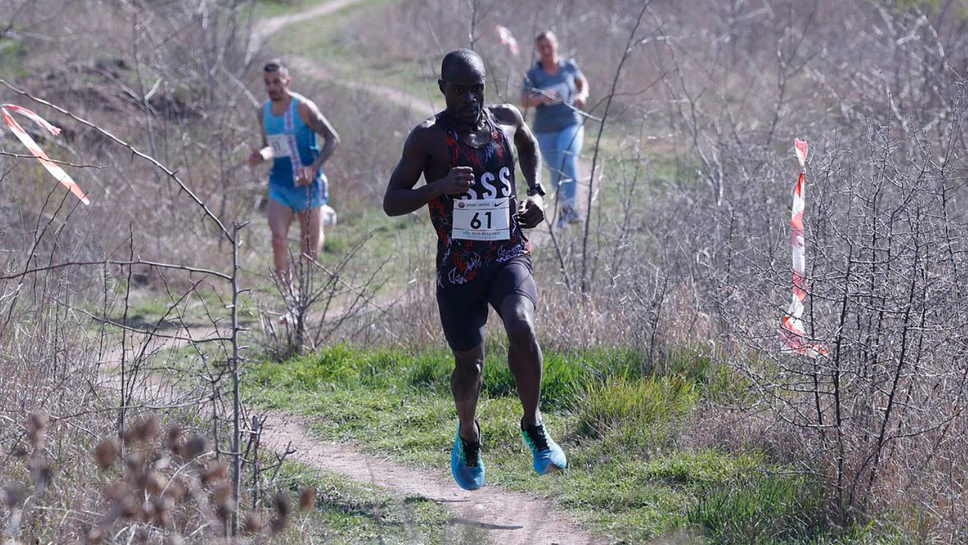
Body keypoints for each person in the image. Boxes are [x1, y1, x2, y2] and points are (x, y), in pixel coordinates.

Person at [383, 49, 567, 491]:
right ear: (443, 89)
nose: (468, 98)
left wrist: (537, 193)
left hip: (507, 252)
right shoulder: (427, 137)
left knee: (522, 326)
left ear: (486, 86)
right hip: (459, 266)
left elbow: (529, 144)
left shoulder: (504, 118)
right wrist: (440, 186)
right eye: (459, 89)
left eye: (476, 88)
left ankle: (534, 425)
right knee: (471, 368)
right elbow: (392, 201)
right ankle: (468, 434)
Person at [248, 59, 340, 317]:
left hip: (308, 186)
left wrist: (314, 168)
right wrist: (261, 156)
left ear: (287, 81)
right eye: (267, 82)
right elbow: (270, 146)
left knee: (307, 251)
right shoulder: (262, 111)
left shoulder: (303, 108)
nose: (271, 87)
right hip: (280, 183)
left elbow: (333, 139)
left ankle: (321, 215)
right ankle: (291, 299)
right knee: (278, 240)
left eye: (276, 81)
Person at [520, 31, 589, 228]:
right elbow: (524, 100)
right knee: (556, 171)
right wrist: (541, 98)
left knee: (566, 158)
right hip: (544, 130)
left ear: (556, 46)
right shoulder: (533, 74)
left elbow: (582, 82)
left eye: (549, 46)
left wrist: (583, 95)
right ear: (538, 51)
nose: (546, 51)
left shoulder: (568, 66)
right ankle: (565, 210)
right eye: (542, 48)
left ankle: (569, 209)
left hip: (570, 123)